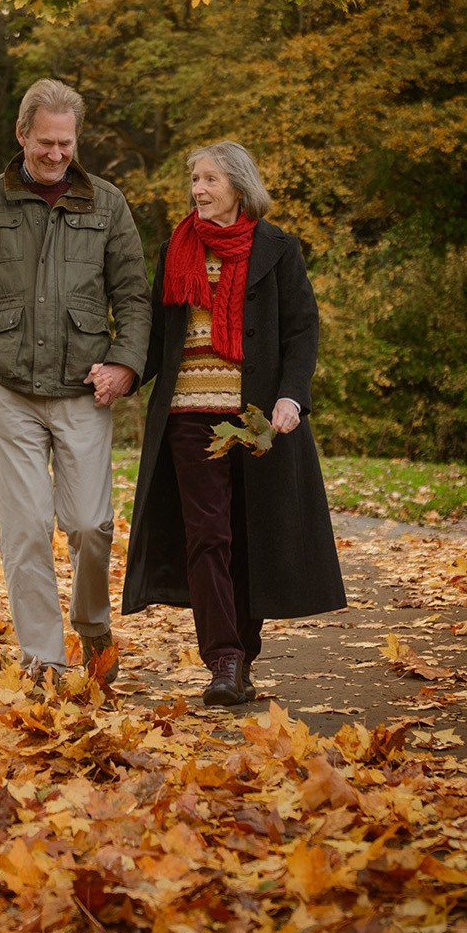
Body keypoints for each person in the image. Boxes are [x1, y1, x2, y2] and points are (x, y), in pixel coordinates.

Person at [0, 78, 151, 679]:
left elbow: (132, 294)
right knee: (26, 528)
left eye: (67, 143)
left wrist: (126, 365)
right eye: (46, 143)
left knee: (89, 524)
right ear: (22, 135)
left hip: (85, 388)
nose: (57, 154)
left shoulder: (107, 204)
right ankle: (44, 660)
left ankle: (91, 626)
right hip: (7, 388)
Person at [122, 141, 345, 705]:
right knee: (208, 537)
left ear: (238, 188)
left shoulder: (277, 249)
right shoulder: (175, 248)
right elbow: (154, 339)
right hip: (189, 417)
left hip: (256, 420)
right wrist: (119, 372)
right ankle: (222, 658)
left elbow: (301, 330)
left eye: (208, 180)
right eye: (194, 179)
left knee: (249, 536)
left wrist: (293, 397)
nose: (197, 189)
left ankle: (243, 652)